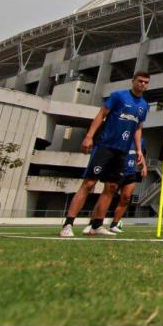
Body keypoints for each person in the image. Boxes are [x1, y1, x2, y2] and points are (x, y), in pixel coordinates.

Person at [59, 71, 149, 237]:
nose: (142, 84)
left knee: (112, 187)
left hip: (122, 151)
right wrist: (89, 136)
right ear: (133, 81)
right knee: (89, 184)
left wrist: (138, 150)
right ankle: (68, 224)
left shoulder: (144, 105)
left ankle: (97, 225)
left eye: (145, 82)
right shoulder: (118, 96)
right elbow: (101, 115)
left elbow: (138, 128)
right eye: (140, 81)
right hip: (105, 146)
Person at [107, 140, 148, 234]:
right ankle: (94, 223)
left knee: (126, 198)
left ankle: (114, 224)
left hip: (131, 172)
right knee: (107, 196)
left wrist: (144, 166)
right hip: (116, 171)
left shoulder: (141, 141)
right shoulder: (122, 136)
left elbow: (140, 154)